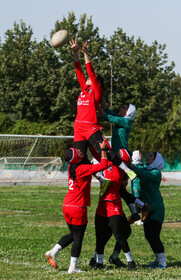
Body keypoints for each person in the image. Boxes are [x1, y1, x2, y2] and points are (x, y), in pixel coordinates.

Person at [69, 38, 136, 184]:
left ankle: (127, 170)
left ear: (96, 82)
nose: (87, 78)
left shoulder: (96, 91)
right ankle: (92, 179)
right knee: (79, 157)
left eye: (90, 78)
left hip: (90, 126)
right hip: (78, 127)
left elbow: (89, 70)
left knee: (105, 151)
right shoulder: (84, 89)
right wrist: (75, 52)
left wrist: (85, 53)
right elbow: (78, 69)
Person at [45, 141, 108, 274]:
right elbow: (104, 165)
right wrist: (103, 150)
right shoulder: (82, 168)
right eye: (77, 152)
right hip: (77, 207)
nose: (80, 151)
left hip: (67, 205)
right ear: (76, 157)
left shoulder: (72, 167)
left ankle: (53, 252)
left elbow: (83, 162)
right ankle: (73, 267)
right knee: (78, 237)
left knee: (73, 235)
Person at [89, 146, 136, 270]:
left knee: (119, 235)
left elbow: (107, 152)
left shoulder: (119, 168)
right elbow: (100, 151)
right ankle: (99, 263)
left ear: (122, 158)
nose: (116, 153)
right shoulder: (108, 162)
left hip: (113, 204)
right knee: (99, 236)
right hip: (102, 203)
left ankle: (131, 261)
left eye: (119, 153)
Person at [131, 151, 167, 269]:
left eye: (151, 155)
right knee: (148, 235)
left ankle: (162, 262)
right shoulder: (147, 170)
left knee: (154, 235)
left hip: (156, 208)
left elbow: (142, 174)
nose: (148, 156)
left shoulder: (156, 173)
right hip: (147, 208)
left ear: (156, 160)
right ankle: (157, 259)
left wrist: (131, 166)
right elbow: (140, 172)